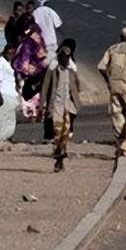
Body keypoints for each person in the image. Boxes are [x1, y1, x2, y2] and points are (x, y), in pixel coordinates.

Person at [97, 27, 126, 159]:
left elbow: (101, 66)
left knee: (117, 114)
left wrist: (108, 80)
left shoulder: (112, 49)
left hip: (114, 85)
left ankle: (120, 146)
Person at [41, 38, 81, 172]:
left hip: (68, 106)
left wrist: (76, 102)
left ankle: (61, 153)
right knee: (57, 132)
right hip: (56, 106)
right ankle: (59, 157)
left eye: (67, 58)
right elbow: (45, 87)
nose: (65, 60)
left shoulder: (71, 71)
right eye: (63, 57)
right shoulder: (53, 71)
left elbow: (77, 87)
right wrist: (43, 103)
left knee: (66, 132)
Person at [0, 43, 21, 146]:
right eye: (9, 53)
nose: (11, 55)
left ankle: (8, 137)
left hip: (9, 93)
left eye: (13, 53)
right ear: (5, 53)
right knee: (0, 120)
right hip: (3, 94)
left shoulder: (9, 64)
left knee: (9, 119)